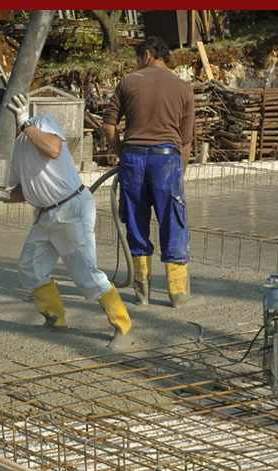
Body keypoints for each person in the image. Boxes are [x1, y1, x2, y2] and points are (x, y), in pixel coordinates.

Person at [0, 88, 134, 351]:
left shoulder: (41, 123)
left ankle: (124, 327)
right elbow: (24, 191)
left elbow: (53, 149)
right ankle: (56, 320)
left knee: (85, 276)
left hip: (71, 209)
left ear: (6, 114)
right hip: (45, 216)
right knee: (30, 268)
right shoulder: (14, 148)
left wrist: (25, 123)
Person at [102, 35, 196, 308]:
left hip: (133, 159)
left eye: (138, 60)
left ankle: (141, 294)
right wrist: (180, 172)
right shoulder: (183, 88)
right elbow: (186, 140)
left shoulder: (128, 82)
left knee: (135, 223)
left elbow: (109, 127)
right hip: (167, 160)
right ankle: (178, 296)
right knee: (173, 223)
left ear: (146, 55)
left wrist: (124, 156)